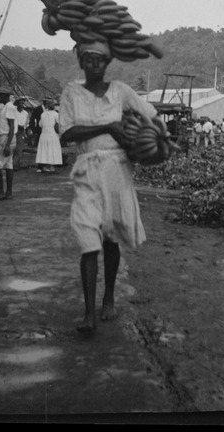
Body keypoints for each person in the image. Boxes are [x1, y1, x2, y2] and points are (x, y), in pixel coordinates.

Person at [59, 40, 163, 337]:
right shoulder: (71, 91)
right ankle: (89, 311)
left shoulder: (120, 91)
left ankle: (108, 298)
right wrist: (107, 127)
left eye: (99, 59)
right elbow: (67, 132)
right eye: (88, 58)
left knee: (111, 237)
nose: (94, 63)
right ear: (81, 61)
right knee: (87, 237)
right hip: (87, 170)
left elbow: (150, 114)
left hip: (117, 169)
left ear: (107, 63)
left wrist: (139, 138)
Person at [0, 88, 18, 200]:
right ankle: (9, 192)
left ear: (5, 96)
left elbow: (11, 127)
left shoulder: (9, 107)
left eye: (0, 95)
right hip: (6, 137)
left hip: (7, 138)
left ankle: (2, 191)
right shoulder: (7, 107)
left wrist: (7, 145)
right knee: (8, 166)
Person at [35, 99, 63, 173]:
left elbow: (40, 124)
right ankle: (51, 167)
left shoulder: (43, 114)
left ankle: (46, 166)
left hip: (44, 134)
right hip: (52, 134)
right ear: (53, 106)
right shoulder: (55, 114)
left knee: (45, 150)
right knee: (52, 150)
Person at [13, 99, 29, 170]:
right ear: (17, 104)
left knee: (19, 149)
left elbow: (27, 123)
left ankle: (15, 165)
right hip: (14, 131)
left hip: (21, 131)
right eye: (20, 103)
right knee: (13, 148)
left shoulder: (25, 113)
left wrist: (24, 128)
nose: (21, 105)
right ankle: (12, 164)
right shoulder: (14, 112)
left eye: (23, 103)